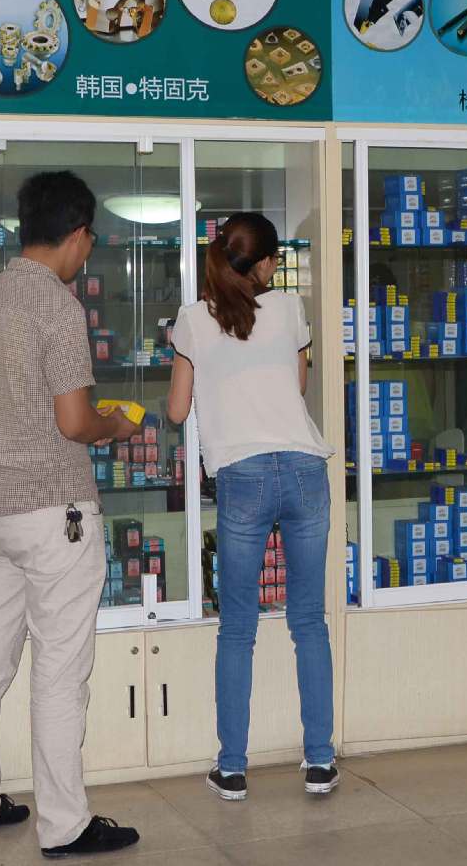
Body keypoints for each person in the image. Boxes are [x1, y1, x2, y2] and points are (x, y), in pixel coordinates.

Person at [0, 170, 143, 858]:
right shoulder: (58, 306)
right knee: (60, 671)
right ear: (78, 234)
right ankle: (65, 825)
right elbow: (73, 421)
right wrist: (114, 426)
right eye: (90, 240)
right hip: (54, 512)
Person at [167, 212, 337, 801]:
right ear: (263, 264)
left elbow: (176, 410)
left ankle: (233, 768)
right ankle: (320, 762)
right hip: (305, 467)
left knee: (238, 627)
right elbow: (297, 388)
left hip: (243, 475)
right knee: (308, 621)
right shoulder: (289, 310)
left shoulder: (192, 320)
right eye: (275, 261)